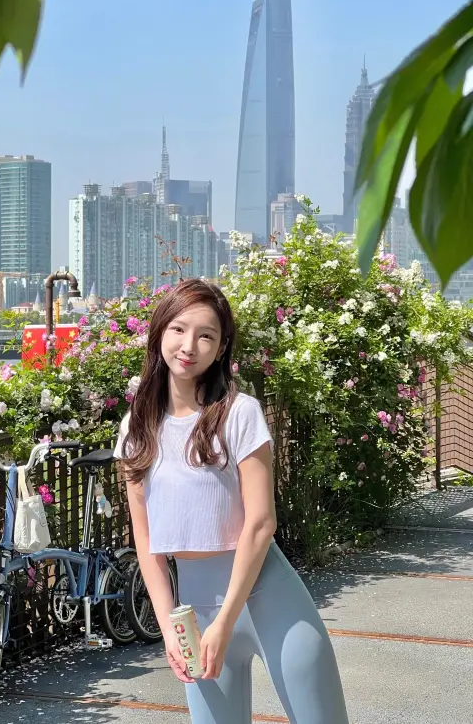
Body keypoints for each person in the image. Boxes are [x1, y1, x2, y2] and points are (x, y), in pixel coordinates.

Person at [112, 278, 349, 724]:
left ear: (221, 349)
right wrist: (169, 627)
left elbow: (261, 523)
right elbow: (146, 541)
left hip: (268, 598)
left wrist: (224, 622)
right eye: (179, 329)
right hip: (194, 612)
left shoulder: (240, 414)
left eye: (206, 335)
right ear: (160, 331)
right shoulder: (136, 428)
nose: (189, 345)